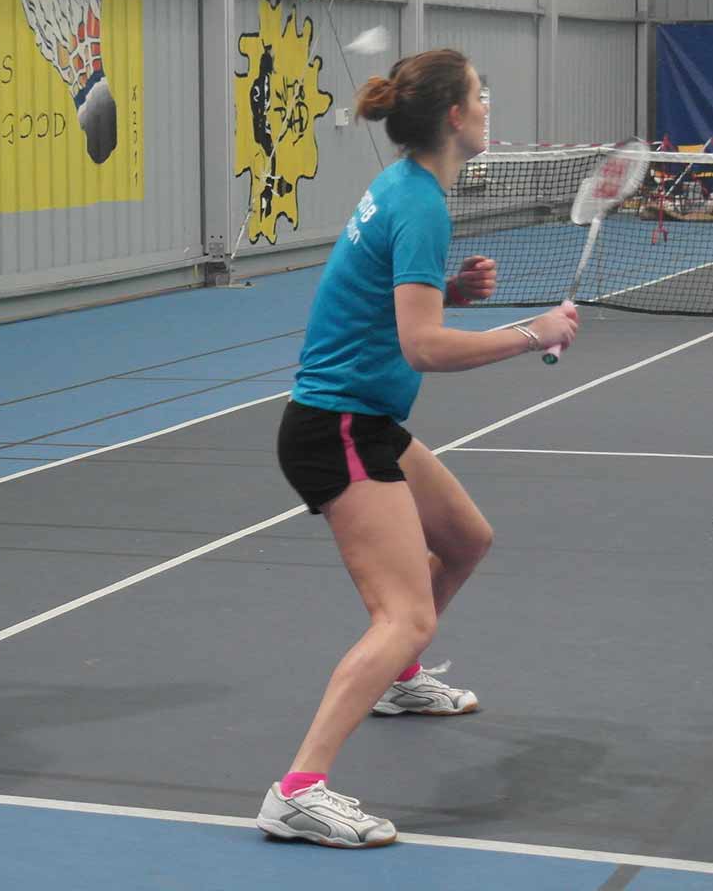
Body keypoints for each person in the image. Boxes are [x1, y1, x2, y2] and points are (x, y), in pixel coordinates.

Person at [254, 49, 579, 849]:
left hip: (363, 418)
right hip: (339, 427)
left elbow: (396, 303)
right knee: (404, 615)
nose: (488, 103)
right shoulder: (421, 204)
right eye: (481, 93)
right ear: (455, 119)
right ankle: (298, 791)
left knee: (466, 540)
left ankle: (397, 686)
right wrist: (528, 332)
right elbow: (425, 348)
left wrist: (451, 293)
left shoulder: (405, 187)